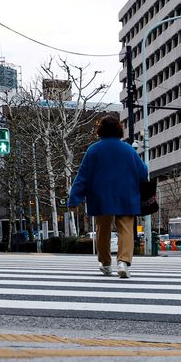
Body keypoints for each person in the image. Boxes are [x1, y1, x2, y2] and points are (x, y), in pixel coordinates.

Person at [68, 115, 149, 279]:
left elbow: (83, 177)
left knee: (102, 230)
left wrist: (74, 199)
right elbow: (143, 172)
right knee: (126, 229)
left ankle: (105, 263)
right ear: (119, 130)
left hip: (101, 196)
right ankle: (123, 262)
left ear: (101, 131)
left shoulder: (93, 150)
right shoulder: (128, 150)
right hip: (126, 195)